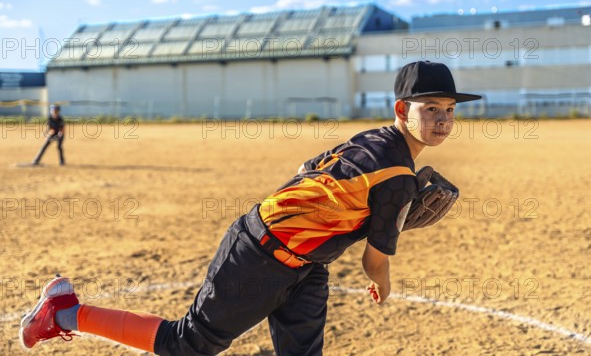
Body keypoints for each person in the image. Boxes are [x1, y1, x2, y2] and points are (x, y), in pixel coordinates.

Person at [19, 61, 482, 355]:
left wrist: (352, 213)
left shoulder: (371, 140)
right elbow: (374, 261)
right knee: (188, 345)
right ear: (402, 109)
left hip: (307, 263)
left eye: (449, 110)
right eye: (431, 109)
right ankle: (63, 312)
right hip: (259, 255)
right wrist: (382, 278)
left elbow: (307, 168)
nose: (442, 120)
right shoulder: (398, 177)